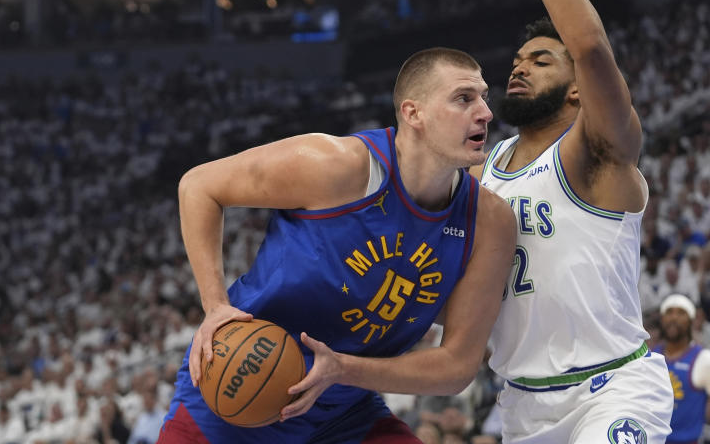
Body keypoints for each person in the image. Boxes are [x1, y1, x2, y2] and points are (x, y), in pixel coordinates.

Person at [157, 47, 516, 443]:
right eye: (464, 98)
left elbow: (456, 367)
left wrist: (342, 369)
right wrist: (214, 305)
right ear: (414, 114)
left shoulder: (490, 222)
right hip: (234, 393)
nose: (485, 112)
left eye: (483, 97)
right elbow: (198, 186)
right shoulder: (334, 165)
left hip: (342, 413)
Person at [475, 0, 673, 444]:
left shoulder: (597, 151)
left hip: (613, 389)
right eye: (518, 59)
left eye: (540, 60)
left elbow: (588, 44)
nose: (519, 66)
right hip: (522, 405)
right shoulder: (488, 166)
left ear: (580, 89)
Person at [654, 295, 710, 444]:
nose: (674, 318)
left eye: (681, 313)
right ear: (662, 319)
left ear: (691, 320)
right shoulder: (648, 358)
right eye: (669, 312)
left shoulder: (707, 361)